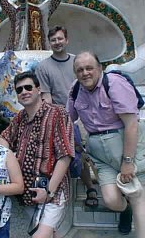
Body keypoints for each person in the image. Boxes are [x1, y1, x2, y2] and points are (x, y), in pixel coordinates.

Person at [67, 51, 145, 237]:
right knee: (111, 200)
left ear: (99, 68)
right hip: (99, 154)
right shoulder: (76, 89)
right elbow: (68, 120)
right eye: (80, 70)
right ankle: (124, 210)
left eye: (89, 68)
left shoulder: (115, 84)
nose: (85, 73)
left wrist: (127, 161)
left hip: (126, 146)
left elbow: (131, 124)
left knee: (137, 197)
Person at [0, 71, 74, 238]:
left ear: (38, 89)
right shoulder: (20, 118)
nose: (24, 92)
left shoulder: (57, 113)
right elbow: (3, 139)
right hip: (28, 194)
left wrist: (49, 191)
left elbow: (65, 155)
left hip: (52, 191)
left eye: (28, 87)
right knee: (49, 233)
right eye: (19, 90)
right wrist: (8, 157)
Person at [36, 25, 98, 208]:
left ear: (67, 39)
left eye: (60, 38)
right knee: (73, 153)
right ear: (49, 42)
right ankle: (82, 190)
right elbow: (46, 97)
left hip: (86, 115)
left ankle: (95, 187)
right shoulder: (43, 67)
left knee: (87, 154)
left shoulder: (77, 63)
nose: (57, 42)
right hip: (61, 118)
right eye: (53, 40)